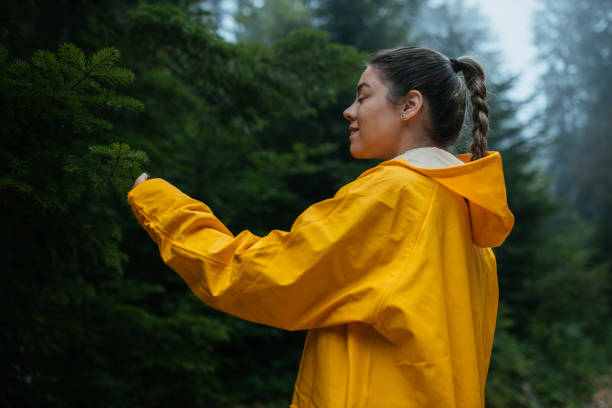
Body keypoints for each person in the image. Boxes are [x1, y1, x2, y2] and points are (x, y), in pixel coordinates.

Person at [128, 47, 514, 408]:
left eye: (363, 96)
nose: (349, 111)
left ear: (410, 105)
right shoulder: (469, 219)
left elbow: (265, 276)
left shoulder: (396, 195)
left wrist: (160, 206)